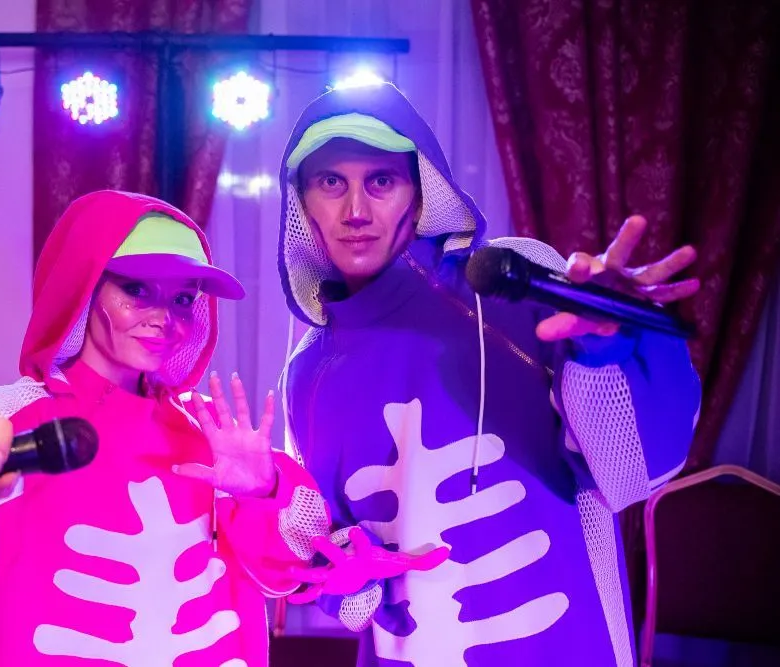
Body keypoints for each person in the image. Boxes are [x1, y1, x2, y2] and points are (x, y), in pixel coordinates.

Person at [276, 83, 702, 666]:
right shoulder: (306, 373)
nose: (355, 211)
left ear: (420, 192)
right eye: (331, 182)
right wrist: (340, 570)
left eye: (381, 181)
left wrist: (607, 344)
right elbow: (339, 571)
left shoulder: (510, 284)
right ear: (302, 203)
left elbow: (630, 472)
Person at [0, 190, 318, 666]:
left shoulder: (210, 429)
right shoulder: (17, 417)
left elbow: (286, 572)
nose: (165, 319)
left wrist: (265, 490)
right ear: (84, 288)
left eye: (184, 298)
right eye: (137, 290)